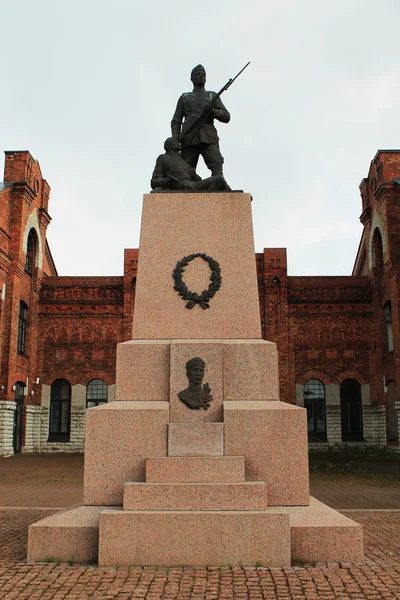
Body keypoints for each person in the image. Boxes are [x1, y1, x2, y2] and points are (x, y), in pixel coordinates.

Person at [171, 64, 230, 177]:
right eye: (198, 74)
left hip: (208, 137)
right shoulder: (184, 97)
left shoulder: (212, 96)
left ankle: (218, 185)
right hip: (189, 137)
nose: (201, 76)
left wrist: (213, 111)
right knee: (185, 171)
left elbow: (226, 116)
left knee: (217, 163)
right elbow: (176, 121)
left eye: (203, 74)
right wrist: (175, 138)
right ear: (192, 78)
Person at [151, 137, 230, 191]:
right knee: (219, 179)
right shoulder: (163, 158)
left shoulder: (183, 160)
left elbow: (198, 180)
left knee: (219, 182)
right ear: (170, 146)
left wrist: (194, 176)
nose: (179, 143)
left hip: (192, 185)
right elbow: (154, 181)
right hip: (182, 186)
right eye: (176, 142)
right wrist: (166, 182)